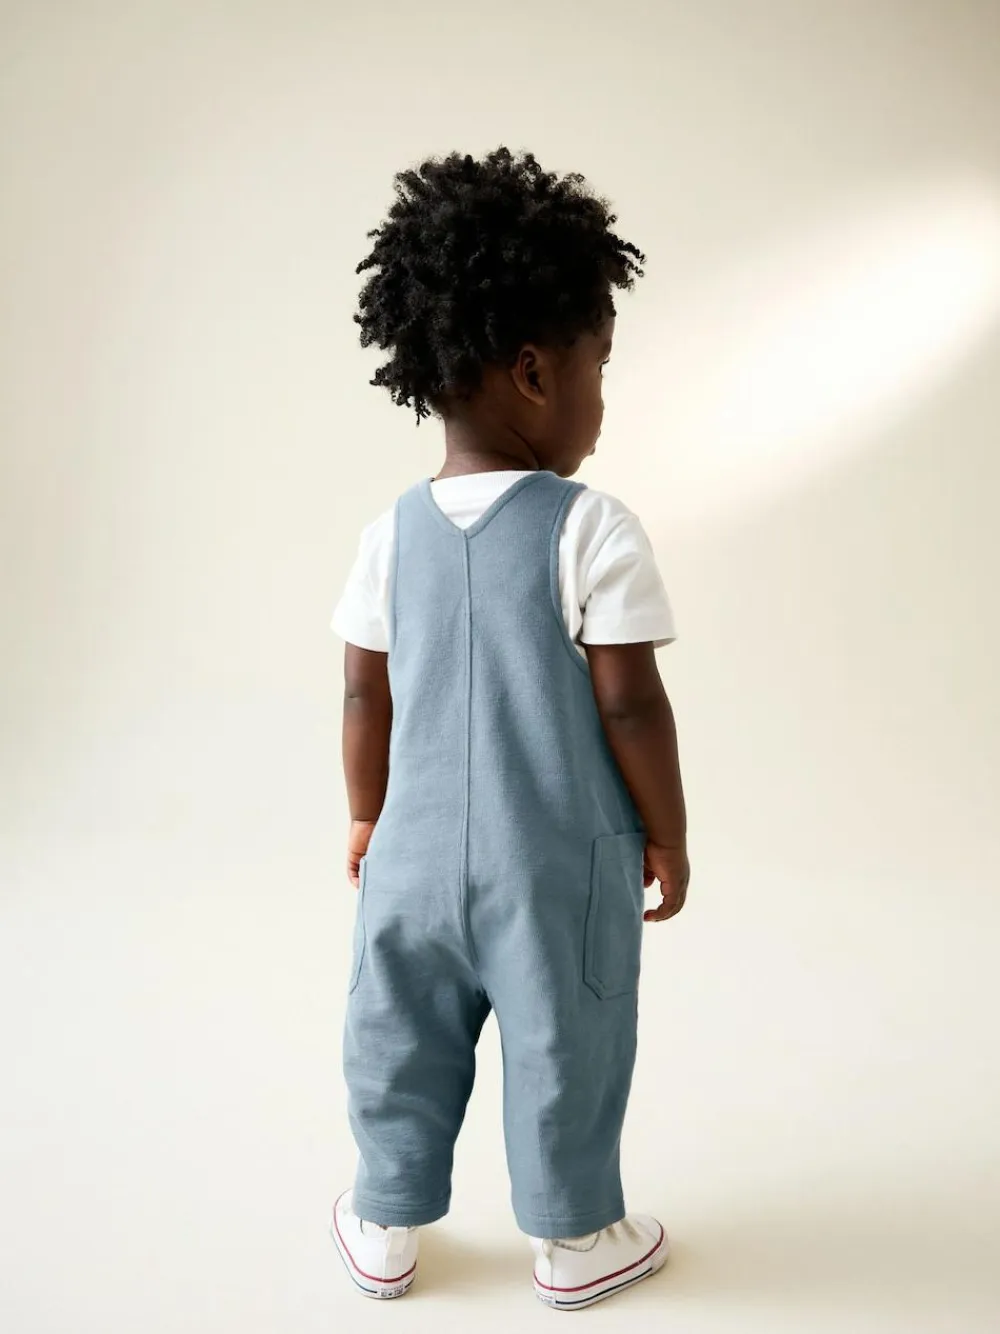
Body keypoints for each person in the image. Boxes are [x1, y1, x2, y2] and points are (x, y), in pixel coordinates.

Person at [329, 147, 689, 1310]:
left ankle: (383, 1220)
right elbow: (629, 700)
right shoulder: (591, 527)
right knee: (566, 1037)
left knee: (395, 1032)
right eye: (598, 365)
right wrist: (666, 831)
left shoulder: (388, 535)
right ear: (535, 371)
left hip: (409, 858)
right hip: (554, 866)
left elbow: (363, 693)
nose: (602, 397)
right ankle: (577, 1237)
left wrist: (367, 815)